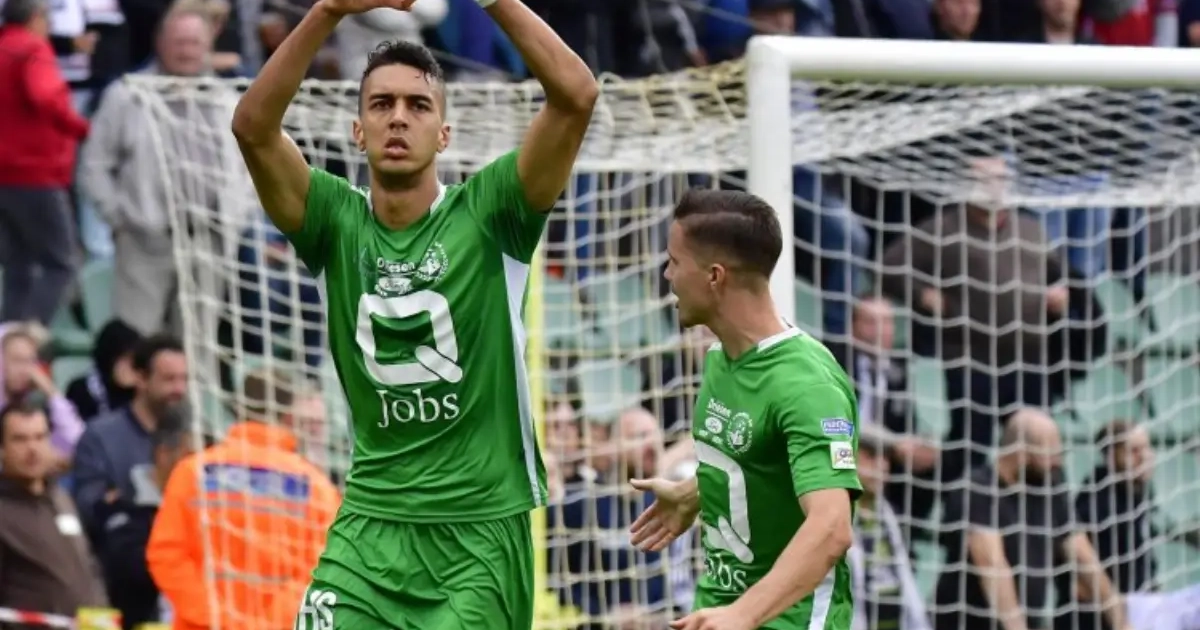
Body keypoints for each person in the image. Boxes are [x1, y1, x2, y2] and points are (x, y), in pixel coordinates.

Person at [228, 0, 598, 622]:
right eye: (381, 104)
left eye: (419, 106)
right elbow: (252, 128)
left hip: (478, 537)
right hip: (369, 528)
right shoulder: (333, 222)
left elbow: (576, 96)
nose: (398, 117)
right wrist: (329, 10)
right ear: (358, 130)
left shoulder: (492, 212)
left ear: (444, 134)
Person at [628, 189, 862, 630]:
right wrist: (695, 493)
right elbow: (758, 461)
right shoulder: (721, 359)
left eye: (675, 262)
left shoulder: (808, 385)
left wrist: (744, 614)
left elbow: (832, 527)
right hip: (717, 608)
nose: (667, 275)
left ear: (714, 276)